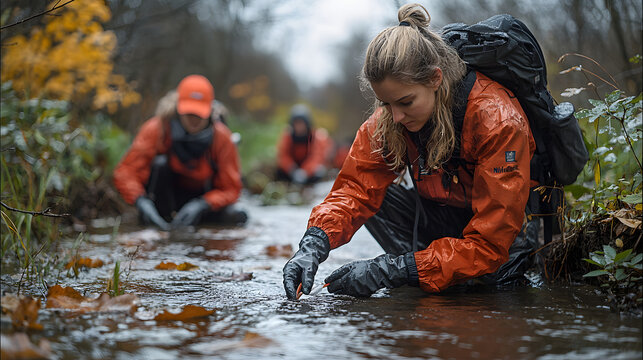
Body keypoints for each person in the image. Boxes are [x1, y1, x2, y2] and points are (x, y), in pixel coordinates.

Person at [282, 3, 539, 299]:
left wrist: (392, 270)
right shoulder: (390, 119)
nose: (396, 116)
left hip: (500, 240)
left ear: (435, 78)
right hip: (443, 220)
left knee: (491, 286)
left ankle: (423, 270)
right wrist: (313, 244)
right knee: (375, 195)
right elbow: (353, 188)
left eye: (405, 102)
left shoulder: (497, 120)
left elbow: (490, 244)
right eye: (386, 104)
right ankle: (425, 269)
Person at [114, 74, 247, 231]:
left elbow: (231, 188)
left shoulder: (222, 137)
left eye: (199, 114)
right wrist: (140, 201)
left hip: (204, 201)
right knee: (160, 163)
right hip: (164, 201)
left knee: (237, 215)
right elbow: (126, 172)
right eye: (189, 112)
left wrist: (202, 204)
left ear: (210, 111)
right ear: (178, 107)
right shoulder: (157, 129)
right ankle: (158, 223)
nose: (194, 119)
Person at [276, 104, 332, 185]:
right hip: (293, 170)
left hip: (308, 171)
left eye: (301, 123)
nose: (299, 127)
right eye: (296, 123)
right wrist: (291, 169)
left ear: (307, 124)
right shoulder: (288, 136)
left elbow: (317, 157)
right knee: (280, 172)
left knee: (319, 172)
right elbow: (283, 155)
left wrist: (305, 171)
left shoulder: (315, 136)